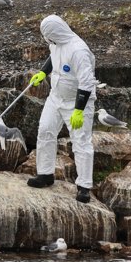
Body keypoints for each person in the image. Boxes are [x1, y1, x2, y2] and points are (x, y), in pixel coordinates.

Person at [26, 15, 96, 203]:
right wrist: (43, 72)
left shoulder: (78, 51)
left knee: (81, 141)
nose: (46, 39)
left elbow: (87, 82)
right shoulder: (56, 42)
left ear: (55, 32)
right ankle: (45, 174)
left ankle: (84, 186)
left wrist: (79, 109)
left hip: (77, 101)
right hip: (56, 96)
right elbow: (53, 57)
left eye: (47, 35)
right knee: (45, 130)